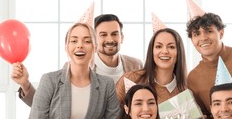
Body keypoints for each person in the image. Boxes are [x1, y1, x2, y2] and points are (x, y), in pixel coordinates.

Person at [11, 14, 143, 107]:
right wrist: (25, 84)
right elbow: (44, 105)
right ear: (95, 40)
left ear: (122, 37)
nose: (110, 40)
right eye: (103, 35)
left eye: (115, 34)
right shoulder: (74, 67)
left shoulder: (136, 65)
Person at [115, 28, 187, 105]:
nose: (165, 51)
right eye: (159, 46)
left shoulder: (186, 89)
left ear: (179, 52)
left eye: (171, 47)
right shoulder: (130, 79)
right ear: (151, 51)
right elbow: (113, 114)